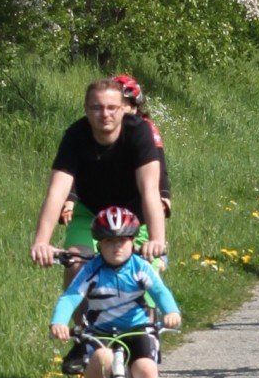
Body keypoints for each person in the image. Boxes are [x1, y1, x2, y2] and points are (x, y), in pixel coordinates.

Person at [50, 206, 181, 378]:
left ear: (133, 240)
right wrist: (59, 321)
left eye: (122, 240)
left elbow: (160, 292)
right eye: (109, 241)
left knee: (146, 370)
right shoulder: (92, 270)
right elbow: (71, 297)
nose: (116, 247)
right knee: (102, 359)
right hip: (102, 331)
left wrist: (171, 311)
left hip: (137, 329)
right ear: (99, 244)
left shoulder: (140, 267)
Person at [31, 78, 168, 271]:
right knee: (77, 265)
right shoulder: (75, 136)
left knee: (144, 273)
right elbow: (56, 192)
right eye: (97, 108)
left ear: (123, 109)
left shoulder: (139, 132)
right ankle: (80, 301)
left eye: (112, 107)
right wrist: (41, 242)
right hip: (90, 214)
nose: (105, 114)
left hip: (136, 216)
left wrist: (157, 241)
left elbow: (150, 191)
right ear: (86, 110)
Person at [113, 73, 173, 218]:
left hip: (137, 201)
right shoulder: (99, 127)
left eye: (122, 104)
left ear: (134, 106)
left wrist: (164, 194)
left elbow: (159, 163)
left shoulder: (146, 129)